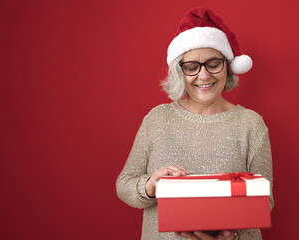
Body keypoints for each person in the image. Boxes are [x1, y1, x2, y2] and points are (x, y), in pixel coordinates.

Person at [116, 7, 274, 240]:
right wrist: (149, 185)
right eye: (192, 67)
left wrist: (232, 234)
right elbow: (124, 184)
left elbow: (265, 200)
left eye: (213, 64)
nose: (203, 76)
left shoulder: (251, 124)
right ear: (180, 71)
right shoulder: (157, 119)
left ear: (227, 66)